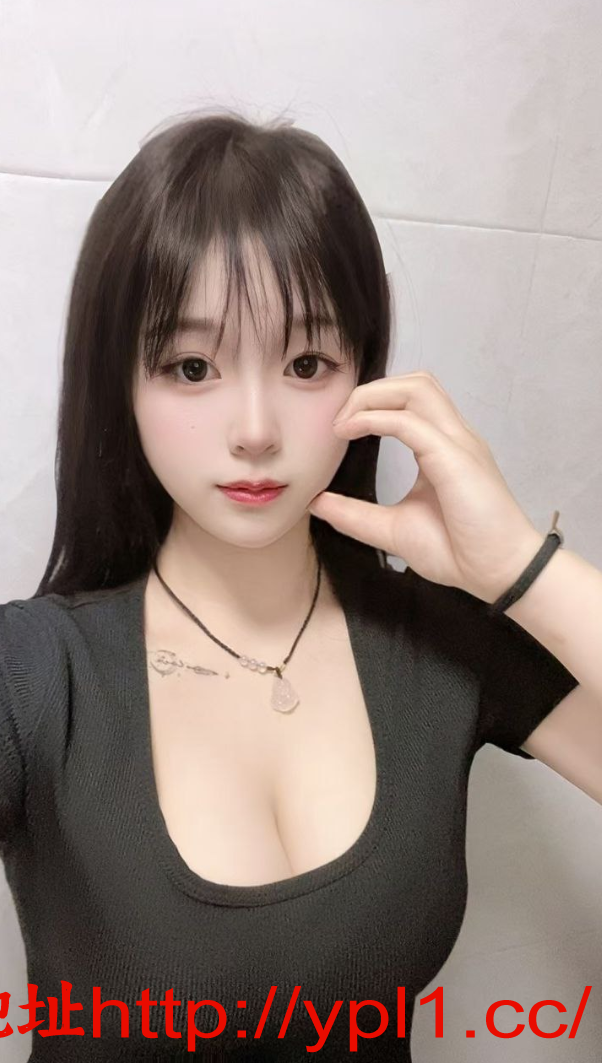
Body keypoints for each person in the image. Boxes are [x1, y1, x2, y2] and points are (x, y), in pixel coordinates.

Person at [0, 108, 581, 1061]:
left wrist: (519, 564)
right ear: (121, 383)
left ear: (366, 377)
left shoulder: (441, 642)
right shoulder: (33, 676)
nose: (256, 429)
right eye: (193, 366)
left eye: (307, 363)